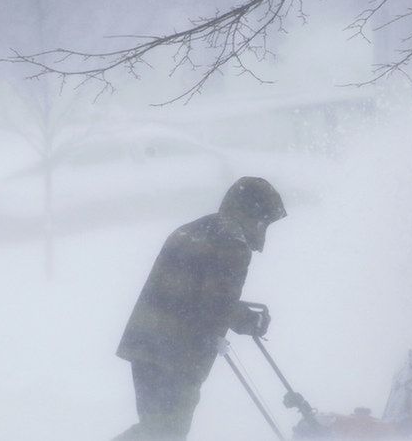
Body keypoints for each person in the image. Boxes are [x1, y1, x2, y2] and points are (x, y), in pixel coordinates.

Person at [113, 176, 287, 441]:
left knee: (154, 429)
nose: (264, 227)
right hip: (179, 353)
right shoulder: (233, 242)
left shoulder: (191, 229)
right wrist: (247, 321)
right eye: (265, 220)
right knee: (167, 433)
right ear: (255, 213)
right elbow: (216, 302)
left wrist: (236, 315)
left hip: (145, 343)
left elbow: (192, 293)